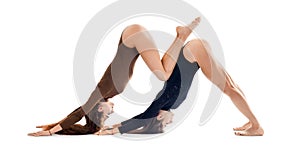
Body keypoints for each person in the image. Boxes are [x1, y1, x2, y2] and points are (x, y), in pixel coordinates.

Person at [28, 17, 200, 136]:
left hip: (133, 37)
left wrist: (51, 130)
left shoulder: (101, 92)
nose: (113, 111)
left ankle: (182, 35)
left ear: (100, 108)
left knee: (163, 74)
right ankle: (182, 35)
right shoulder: (110, 91)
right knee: (163, 73)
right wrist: (116, 127)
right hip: (134, 39)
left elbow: (79, 113)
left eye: (107, 114)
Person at [97, 39, 264, 136]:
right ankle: (252, 121)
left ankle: (256, 126)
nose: (171, 122)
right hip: (195, 55)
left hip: (192, 52)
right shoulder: (173, 104)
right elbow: (144, 117)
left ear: (159, 117)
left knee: (228, 88)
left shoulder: (164, 101)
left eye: (165, 124)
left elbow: (145, 116)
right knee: (231, 85)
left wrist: (115, 130)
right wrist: (117, 126)